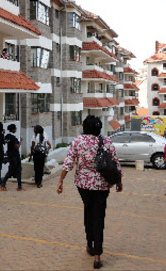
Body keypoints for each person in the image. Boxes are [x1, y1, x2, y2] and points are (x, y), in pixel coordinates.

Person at [57, 115, 122, 269]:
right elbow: (115, 163)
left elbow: (69, 162)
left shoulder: (78, 141)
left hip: (83, 185)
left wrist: (60, 181)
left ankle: (89, 244)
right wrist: (119, 181)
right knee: (99, 217)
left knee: (88, 211)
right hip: (102, 185)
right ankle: (98, 255)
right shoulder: (106, 141)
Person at [0, 124, 25, 191]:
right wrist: (20, 141)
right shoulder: (13, 138)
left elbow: (3, 142)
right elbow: (16, 147)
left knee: (12, 170)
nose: (16, 130)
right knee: (17, 171)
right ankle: (18, 186)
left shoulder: (7, 136)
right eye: (15, 129)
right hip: (15, 156)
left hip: (10, 156)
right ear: (13, 129)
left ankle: (5, 184)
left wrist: (3, 134)